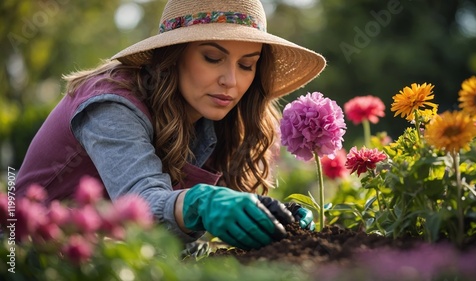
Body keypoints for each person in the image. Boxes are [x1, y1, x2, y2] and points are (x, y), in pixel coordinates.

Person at [16, 0, 326, 250]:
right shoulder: (111, 104)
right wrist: (201, 203)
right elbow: (141, 204)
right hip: (34, 258)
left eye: (247, 65)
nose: (231, 81)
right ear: (174, 55)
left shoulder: (214, 113)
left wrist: (273, 216)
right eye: (212, 57)